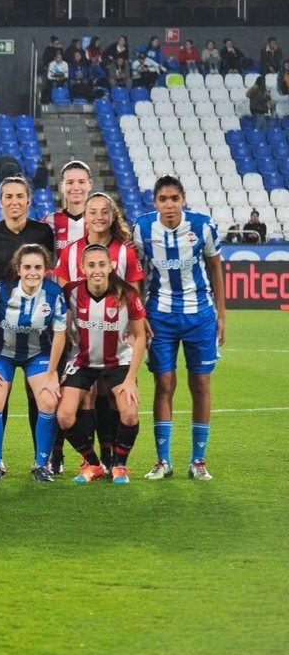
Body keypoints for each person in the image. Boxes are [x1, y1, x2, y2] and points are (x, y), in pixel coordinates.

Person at [132, 174, 225, 482]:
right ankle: (163, 461)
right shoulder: (144, 229)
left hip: (199, 315)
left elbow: (215, 266)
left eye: (174, 199)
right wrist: (139, 313)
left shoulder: (201, 226)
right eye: (163, 199)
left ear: (183, 199)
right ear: (155, 202)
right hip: (160, 316)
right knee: (164, 384)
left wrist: (221, 315)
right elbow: (137, 273)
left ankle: (198, 461)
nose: (169, 205)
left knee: (200, 385)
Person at [0, 176, 55, 461]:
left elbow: (51, 275)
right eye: (8, 197)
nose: (14, 202)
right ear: (0, 202)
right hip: (1, 324)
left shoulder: (44, 232)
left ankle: (44, 460)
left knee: (39, 396)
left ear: (28, 200)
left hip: (37, 327)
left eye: (19, 196)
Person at [58, 244, 147, 485]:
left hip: (118, 362)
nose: (97, 270)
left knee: (129, 413)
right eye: (91, 265)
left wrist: (130, 379)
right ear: (82, 268)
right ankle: (93, 464)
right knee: (65, 416)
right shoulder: (70, 292)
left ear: (111, 266)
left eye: (101, 264)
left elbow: (140, 338)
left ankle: (119, 465)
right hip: (82, 361)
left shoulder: (127, 294)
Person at [0, 244, 67, 483]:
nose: (32, 272)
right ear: (18, 269)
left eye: (38, 267)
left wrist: (51, 373)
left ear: (46, 269)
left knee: (48, 401)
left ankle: (41, 464)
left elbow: (60, 334)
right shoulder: (0, 290)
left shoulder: (54, 293)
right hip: (1, 353)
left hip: (39, 354)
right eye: (27, 267)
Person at [46, 160, 92, 259]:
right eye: (70, 182)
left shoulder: (100, 221)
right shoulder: (49, 221)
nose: (76, 187)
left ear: (90, 185)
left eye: (81, 182)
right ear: (62, 186)